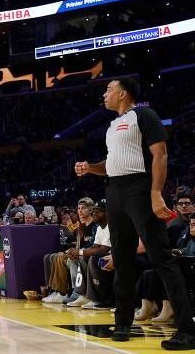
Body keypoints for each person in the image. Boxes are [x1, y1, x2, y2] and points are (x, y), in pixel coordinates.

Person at [75, 77, 195, 349]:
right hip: (114, 190)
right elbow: (112, 163)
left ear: (123, 93)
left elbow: (160, 154)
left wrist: (155, 193)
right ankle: (123, 323)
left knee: (160, 256)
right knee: (122, 257)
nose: (104, 94)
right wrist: (90, 168)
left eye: (109, 90)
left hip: (140, 188)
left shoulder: (144, 114)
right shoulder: (112, 126)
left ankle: (187, 328)